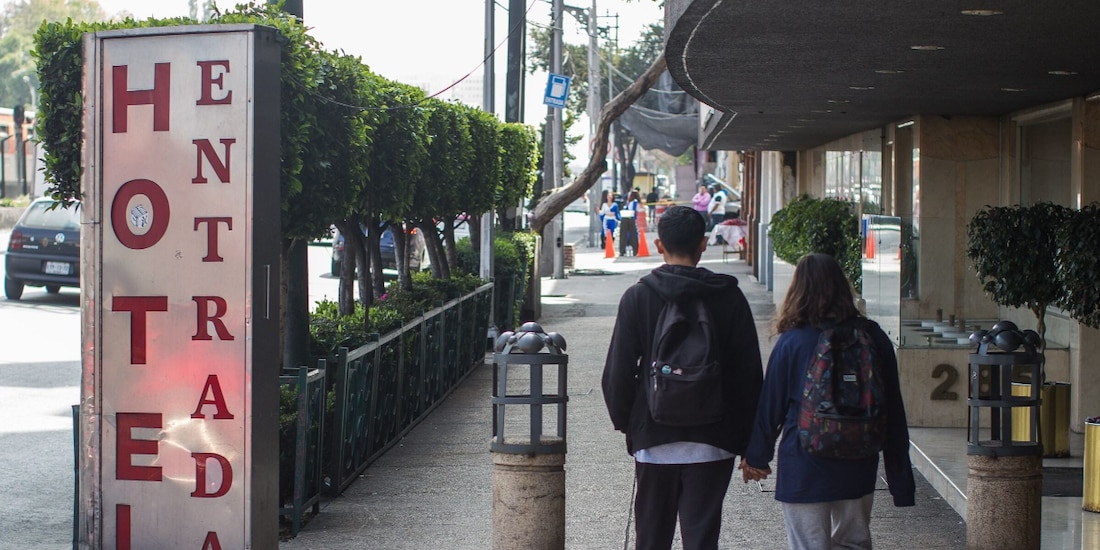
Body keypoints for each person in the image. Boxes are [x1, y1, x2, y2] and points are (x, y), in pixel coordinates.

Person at [603, 205, 764, 550]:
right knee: (702, 540)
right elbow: (748, 375)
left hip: (654, 438)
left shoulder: (638, 296)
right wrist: (748, 439)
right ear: (703, 244)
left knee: (650, 538)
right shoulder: (729, 297)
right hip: (713, 440)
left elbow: (617, 373)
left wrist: (630, 423)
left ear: (659, 245)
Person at [740, 253, 915, 550]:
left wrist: (757, 459)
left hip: (804, 465)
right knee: (854, 542)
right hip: (858, 463)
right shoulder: (872, 336)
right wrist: (900, 481)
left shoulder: (792, 342)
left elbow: (771, 409)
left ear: (798, 291)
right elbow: (892, 412)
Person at [620, 190, 641, 256]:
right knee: (633, 235)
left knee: (623, 234)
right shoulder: (635, 202)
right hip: (631, 218)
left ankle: (622, 250)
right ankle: (635, 250)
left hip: (626, 217)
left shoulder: (631, 202)